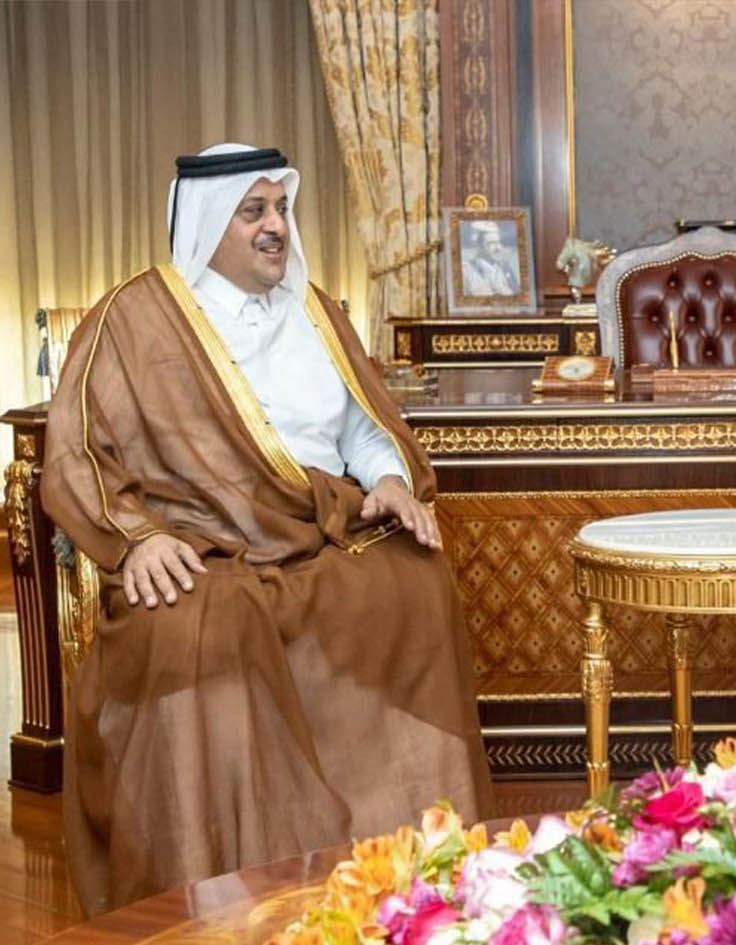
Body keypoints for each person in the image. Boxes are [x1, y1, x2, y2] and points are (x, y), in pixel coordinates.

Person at [41, 143, 495, 914]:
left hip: (315, 528)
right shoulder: (135, 318)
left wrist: (388, 479)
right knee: (195, 626)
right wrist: (136, 537)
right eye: (253, 211)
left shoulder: (314, 309)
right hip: (198, 544)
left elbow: (361, 426)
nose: (275, 226)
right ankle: (210, 892)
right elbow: (78, 447)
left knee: (413, 584)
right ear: (208, 222)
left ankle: (399, 869)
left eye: (281, 209)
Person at [461, 220, 520, 296]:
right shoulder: (466, 271)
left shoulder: (505, 268)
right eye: (492, 243)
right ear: (479, 246)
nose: (498, 248)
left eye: (499, 242)